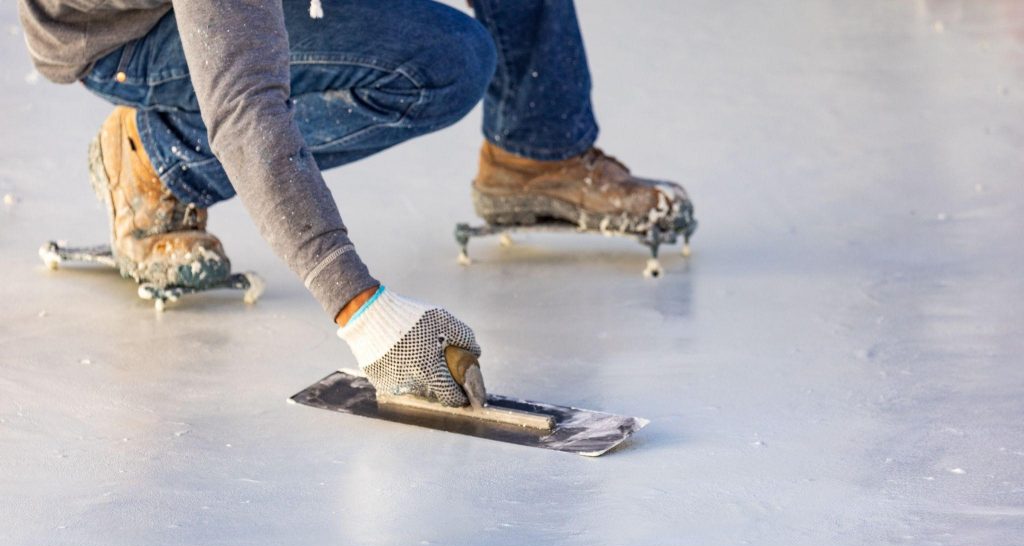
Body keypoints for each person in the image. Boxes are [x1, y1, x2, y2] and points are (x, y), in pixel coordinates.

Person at [18, 0, 692, 407]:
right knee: (444, 61)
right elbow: (246, 101)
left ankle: (537, 151)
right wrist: (364, 311)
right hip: (126, 33)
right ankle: (161, 154)